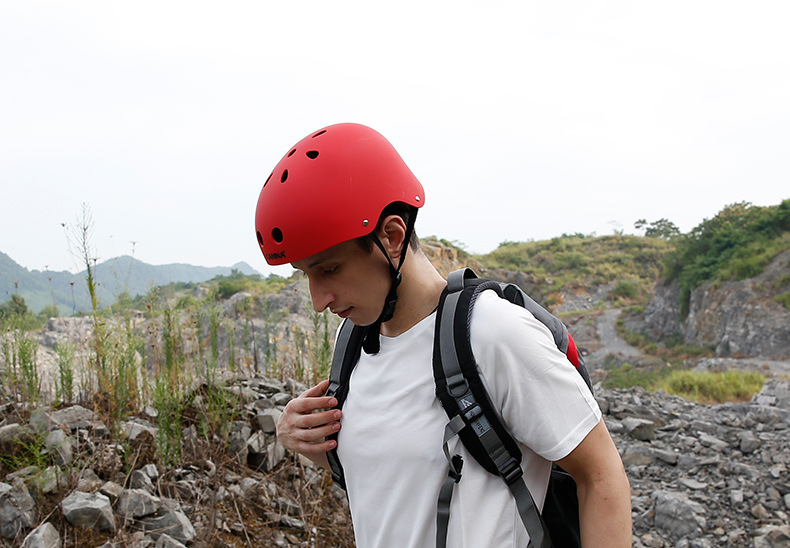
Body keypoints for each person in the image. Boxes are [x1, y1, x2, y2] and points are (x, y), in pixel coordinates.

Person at [255, 123, 632, 547]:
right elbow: (395, 484)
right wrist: (306, 442)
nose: (318, 300)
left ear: (391, 237)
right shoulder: (354, 345)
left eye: (329, 269)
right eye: (306, 275)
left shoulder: (493, 332)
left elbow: (601, 475)